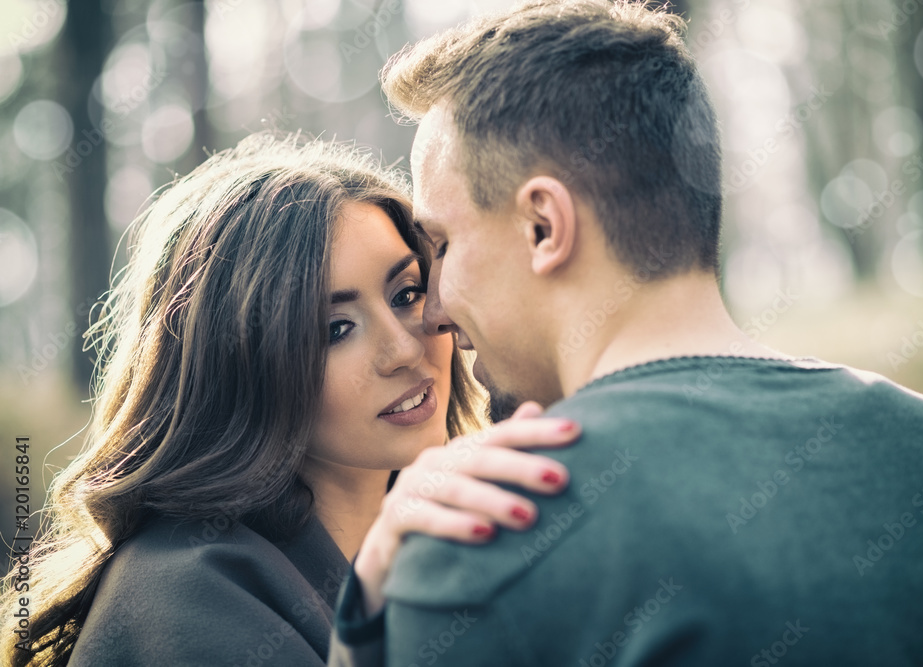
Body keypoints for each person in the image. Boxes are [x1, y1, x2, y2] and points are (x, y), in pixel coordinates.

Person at [330, 1, 923, 665]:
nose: (435, 311)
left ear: (543, 227)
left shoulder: (483, 535)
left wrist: (366, 623)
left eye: (441, 244)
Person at [0, 132, 580, 667]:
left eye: (407, 293)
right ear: (238, 367)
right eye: (334, 329)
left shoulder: (465, 539)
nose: (405, 349)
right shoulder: (182, 597)